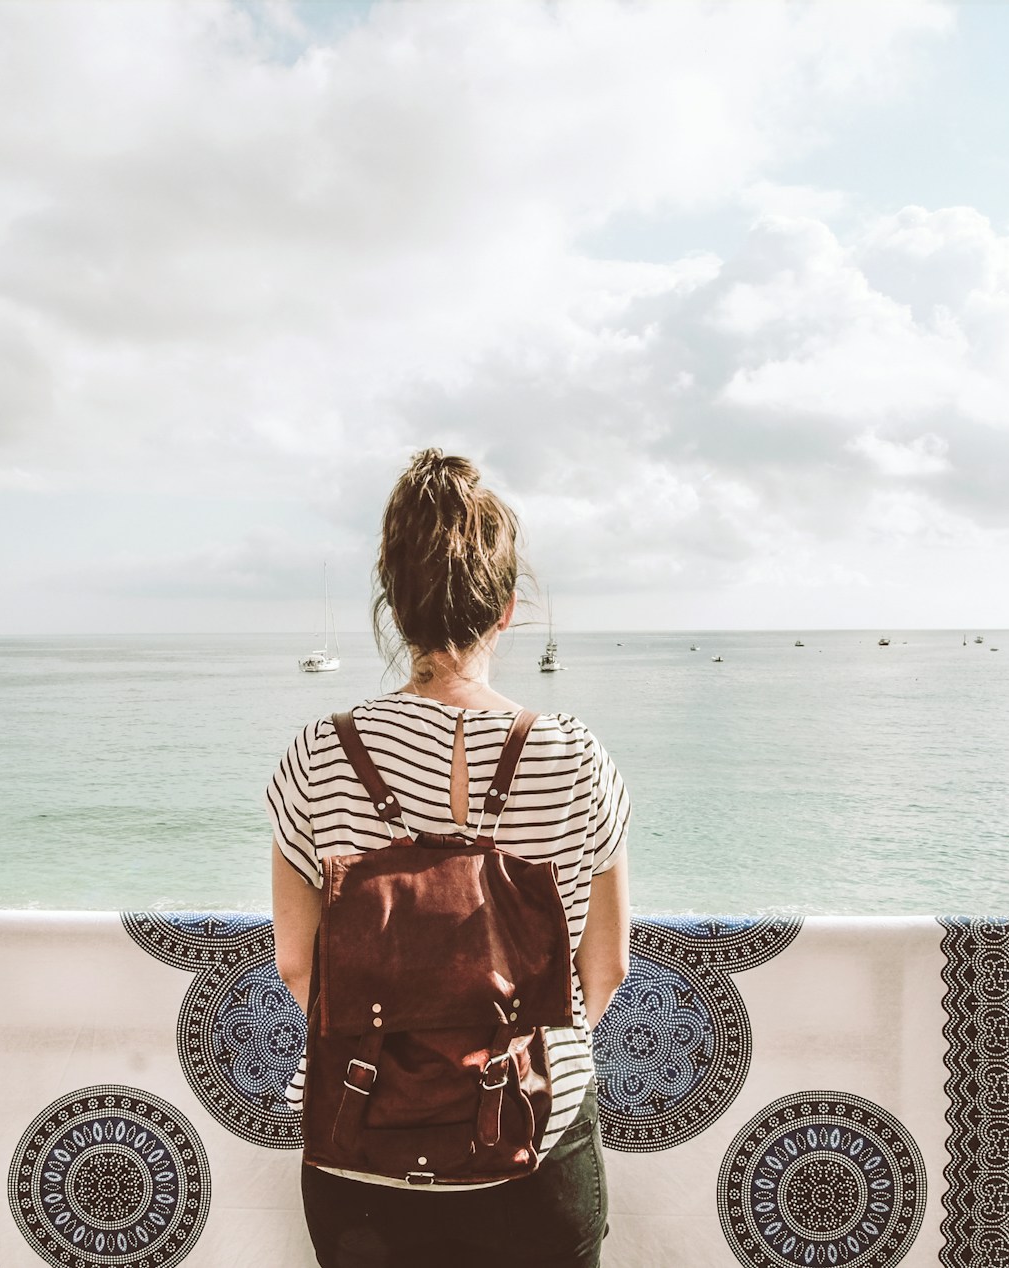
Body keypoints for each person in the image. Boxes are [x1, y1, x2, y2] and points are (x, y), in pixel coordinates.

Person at [266, 448, 633, 1268]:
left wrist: (411, 1071)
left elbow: (300, 966)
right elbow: (602, 970)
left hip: (362, 1146)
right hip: (534, 1146)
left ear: (394, 608)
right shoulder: (576, 755)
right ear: (507, 609)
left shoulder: (320, 754)